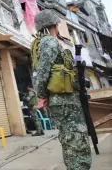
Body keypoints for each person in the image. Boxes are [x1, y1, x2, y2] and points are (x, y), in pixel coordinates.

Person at [31, 9, 92, 170]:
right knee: (76, 139)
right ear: (54, 25)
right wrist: (42, 96)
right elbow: (42, 72)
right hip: (65, 99)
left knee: (72, 139)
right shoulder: (50, 42)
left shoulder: (49, 42)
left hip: (65, 98)